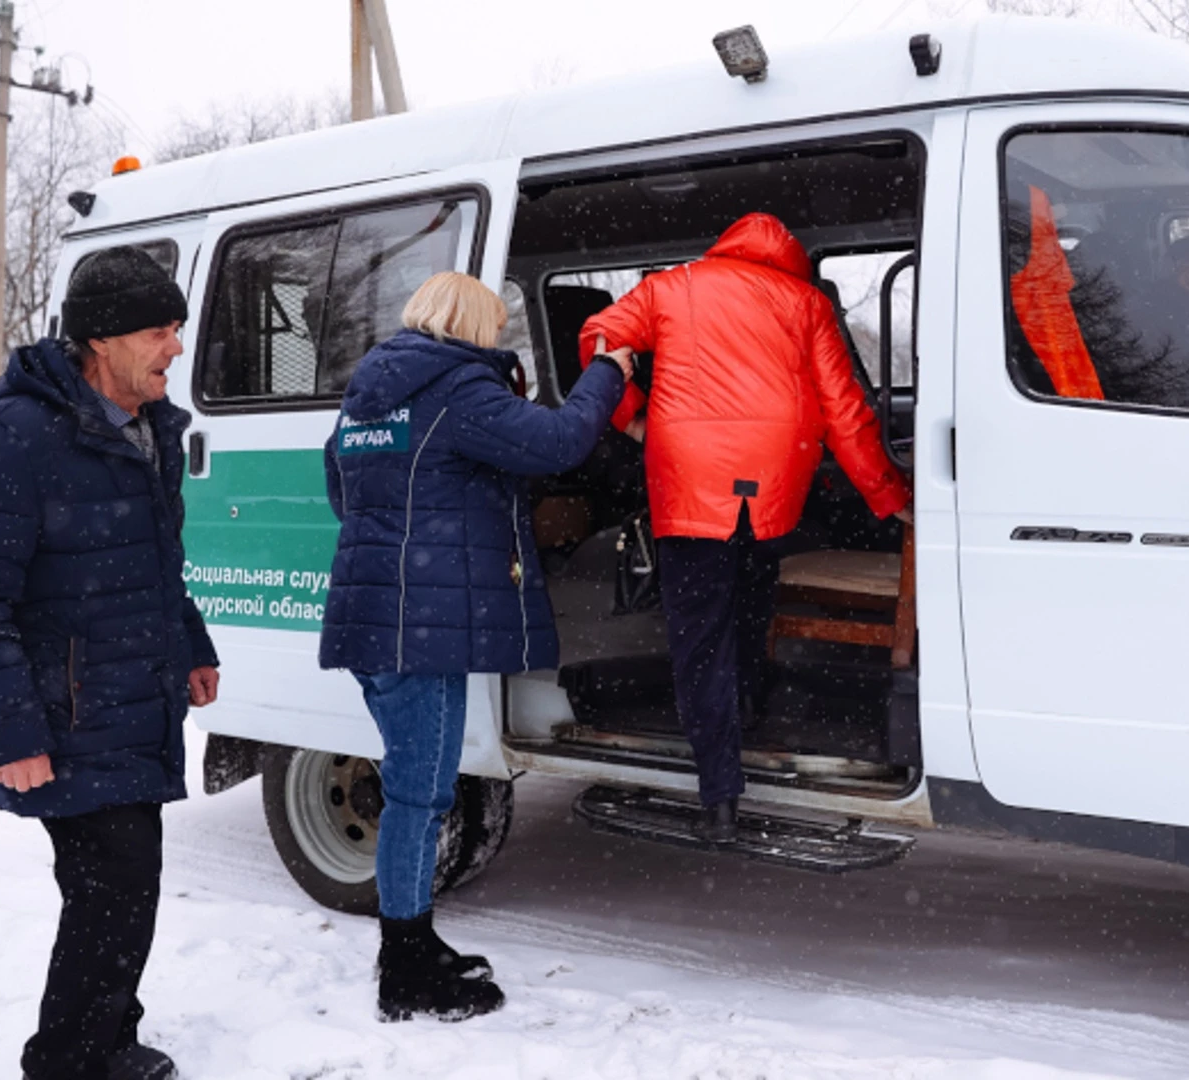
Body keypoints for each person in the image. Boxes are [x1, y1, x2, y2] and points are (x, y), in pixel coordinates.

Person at [0, 246, 219, 1080]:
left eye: (176, 328)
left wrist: (190, 646)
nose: (175, 347)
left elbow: (158, 563)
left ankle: (106, 1032)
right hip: (68, 710)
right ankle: (71, 1058)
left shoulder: (147, 429)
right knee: (112, 887)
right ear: (101, 340)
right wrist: (9, 732)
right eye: (159, 331)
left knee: (123, 885)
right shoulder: (4, 444)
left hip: (135, 697)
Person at [318, 272, 632, 1022]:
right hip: (417, 628)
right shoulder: (457, 388)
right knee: (419, 796)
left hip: (380, 617)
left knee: (417, 787)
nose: (498, 340)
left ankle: (415, 943)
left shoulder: (367, 397)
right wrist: (606, 372)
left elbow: (344, 492)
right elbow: (559, 441)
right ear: (472, 325)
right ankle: (405, 969)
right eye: (495, 326)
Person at [578, 212, 911, 843]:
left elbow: (599, 338)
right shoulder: (806, 302)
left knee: (699, 635)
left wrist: (630, 418)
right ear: (788, 255)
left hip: (688, 481)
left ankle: (719, 795)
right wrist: (887, 494)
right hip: (772, 485)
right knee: (751, 602)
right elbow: (844, 409)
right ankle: (749, 707)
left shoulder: (671, 287)